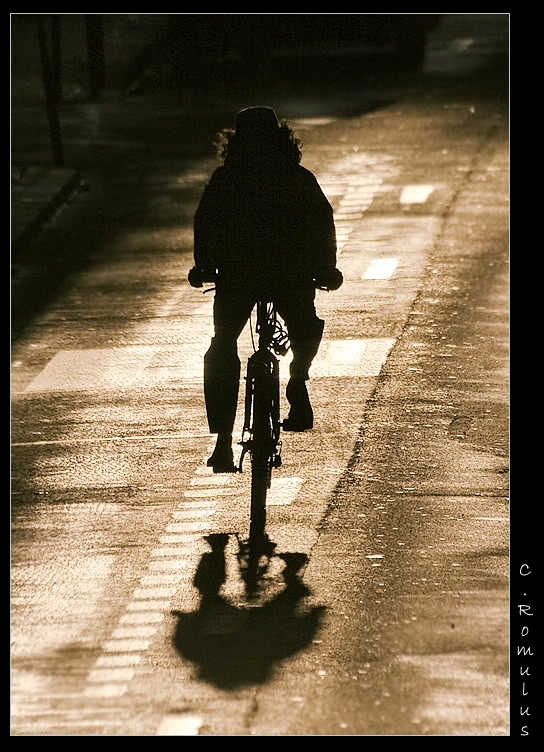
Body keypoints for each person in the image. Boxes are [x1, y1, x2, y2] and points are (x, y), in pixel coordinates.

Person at [188, 106, 343, 472]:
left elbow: (204, 224)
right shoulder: (297, 177)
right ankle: (298, 379)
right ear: (281, 138)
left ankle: (223, 443)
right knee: (304, 323)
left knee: (223, 345)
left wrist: (203, 267)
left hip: (237, 277)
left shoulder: (225, 180)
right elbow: (323, 224)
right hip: (290, 274)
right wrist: (326, 269)